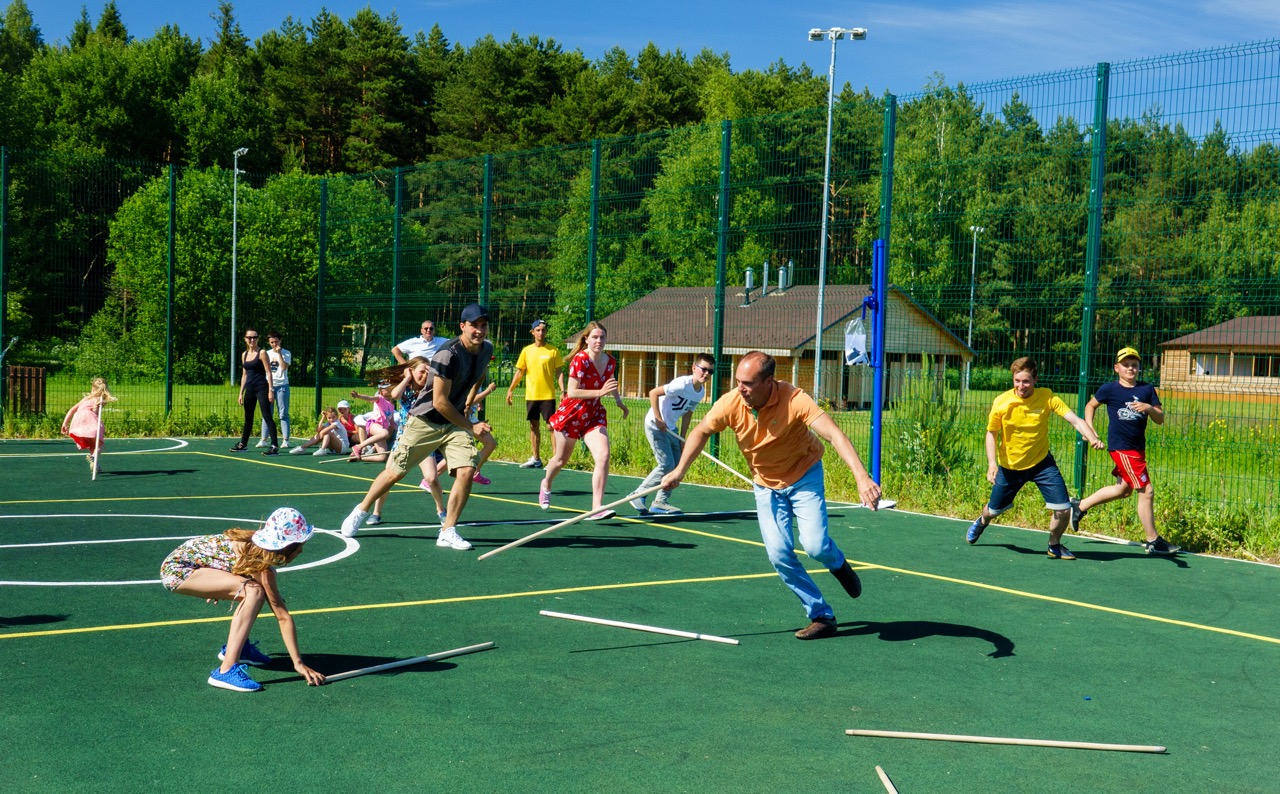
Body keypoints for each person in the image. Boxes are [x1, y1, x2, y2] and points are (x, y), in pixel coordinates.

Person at [660, 352, 878, 640]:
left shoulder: (794, 399)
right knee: (779, 554)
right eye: (738, 381)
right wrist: (679, 471)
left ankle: (837, 563)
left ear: (769, 382)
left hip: (804, 476)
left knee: (815, 546)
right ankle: (821, 615)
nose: (740, 388)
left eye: (748, 383)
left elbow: (834, 435)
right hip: (765, 485)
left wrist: (862, 478)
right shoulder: (731, 403)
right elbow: (701, 431)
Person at [340, 303, 494, 551]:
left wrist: (469, 404)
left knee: (467, 469)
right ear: (462, 327)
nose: (479, 330)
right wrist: (471, 425)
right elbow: (439, 402)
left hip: (454, 422)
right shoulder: (448, 354)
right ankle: (361, 510)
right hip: (427, 419)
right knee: (395, 471)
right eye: (474, 325)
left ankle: (448, 530)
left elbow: (478, 376)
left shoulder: (486, 349)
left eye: (483, 325)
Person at [159, 507, 326, 692]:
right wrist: (298, 663)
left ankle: (240, 648)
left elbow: (216, 557)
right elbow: (282, 616)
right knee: (253, 591)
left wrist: (218, 585)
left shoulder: (255, 548)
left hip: (192, 564)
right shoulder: (260, 565)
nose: (301, 550)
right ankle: (226, 671)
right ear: (285, 546)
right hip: (178, 571)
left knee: (251, 590)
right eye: (299, 544)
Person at [965, 356, 1105, 559]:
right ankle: (982, 521)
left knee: (1064, 509)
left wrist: (1091, 436)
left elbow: (1075, 420)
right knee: (993, 510)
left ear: (1035, 379)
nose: (1021, 386)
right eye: (1017, 381)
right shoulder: (1002, 402)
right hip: (1010, 467)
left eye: (1026, 381)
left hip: (1042, 465)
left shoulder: (1047, 397)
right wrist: (992, 464)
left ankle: (1054, 545)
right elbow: (991, 433)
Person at [1071, 347, 1180, 555]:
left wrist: (1147, 407)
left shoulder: (1147, 389)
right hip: (1122, 447)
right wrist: (1091, 429)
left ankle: (1079, 506)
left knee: (1124, 490)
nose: (1130, 368)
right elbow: (1090, 406)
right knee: (1146, 491)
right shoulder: (1109, 389)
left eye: (1134, 365)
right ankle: (1153, 540)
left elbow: (1160, 418)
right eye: (1126, 365)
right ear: (1117, 368)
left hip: (1138, 448)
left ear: (1139, 368)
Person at [538, 322, 629, 520]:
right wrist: (599, 392)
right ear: (586, 339)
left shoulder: (610, 361)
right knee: (560, 460)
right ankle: (546, 483)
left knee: (604, 455)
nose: (599, 341)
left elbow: (610, 382)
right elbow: (572, 392)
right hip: (572, 413)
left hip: (593, 414)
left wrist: (619, 402)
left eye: (602, 337)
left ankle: (596, 507)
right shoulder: (580, 360)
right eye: (595, 337)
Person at [627, 354, 715, 515]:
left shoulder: (700, 392)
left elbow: (688, 414)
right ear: (694, 368)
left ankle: (660, 502)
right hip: (655, 426)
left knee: (676, 466)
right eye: (703, 369)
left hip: (672, 430)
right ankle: (637, 495)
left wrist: (683, 438)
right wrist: (658, 419)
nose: (706, 374)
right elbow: (653, 393)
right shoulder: (682, 383)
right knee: (666, 465)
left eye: (710, 372)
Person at [506, 319, 565, 469]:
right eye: (538, 330)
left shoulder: (553, 351)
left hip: (548, 396)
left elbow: (559, 372)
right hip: (532, 395)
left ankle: (555, 461)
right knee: (533, 426)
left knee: (552, 427)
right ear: (532, 332)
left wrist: (563, 391)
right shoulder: (526, 351)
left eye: (543, 329)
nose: (541, 332)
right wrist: (510, 389)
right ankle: (536, 459)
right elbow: (520, 372)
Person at [231, 329, 278, 455]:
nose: (252, 340)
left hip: (261, 387)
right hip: (250, 389)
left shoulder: (262, 353)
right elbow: (244, 375)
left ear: (258, 338)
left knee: (267, 416)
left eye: (255, 337)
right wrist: (241, 392)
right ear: (245, 339)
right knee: (248, 418)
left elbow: (269, 372)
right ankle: (243, 444)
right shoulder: (244, 355)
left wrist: (270, 391)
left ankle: (274, 446)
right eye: (249, 337)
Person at [60, 377, 117, 475]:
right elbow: (94, 412)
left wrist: (65, 423)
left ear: (93, 388)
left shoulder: (86, 398)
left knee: (92, 444)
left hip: (78, 420)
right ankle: (94, 457)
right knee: (100, 444)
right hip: (90, 420)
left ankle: (95, 464)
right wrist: (98, 406)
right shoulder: (100, 400)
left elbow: (72, 410)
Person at [258, 331, 292, 449]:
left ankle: (285, 440)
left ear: (280, 341)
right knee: (267, 413)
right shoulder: (266, 353)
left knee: (283, 413)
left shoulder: (286, 353)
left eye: (276, 342)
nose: (274, 344)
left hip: (282, 386)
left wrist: (279, 354)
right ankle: (264, 439)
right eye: (271, 342)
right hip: (268, 386)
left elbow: (283, 367)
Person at [467, 372, 498, 485]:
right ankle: (429, 479)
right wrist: (489, 390)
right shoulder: (470, 375)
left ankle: (475, 472)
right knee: (463, 454)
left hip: (471, 417)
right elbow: (468, 402)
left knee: (490, 443)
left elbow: (473, 398)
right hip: (464, 418)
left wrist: (479, 403)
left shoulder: (478, 375)